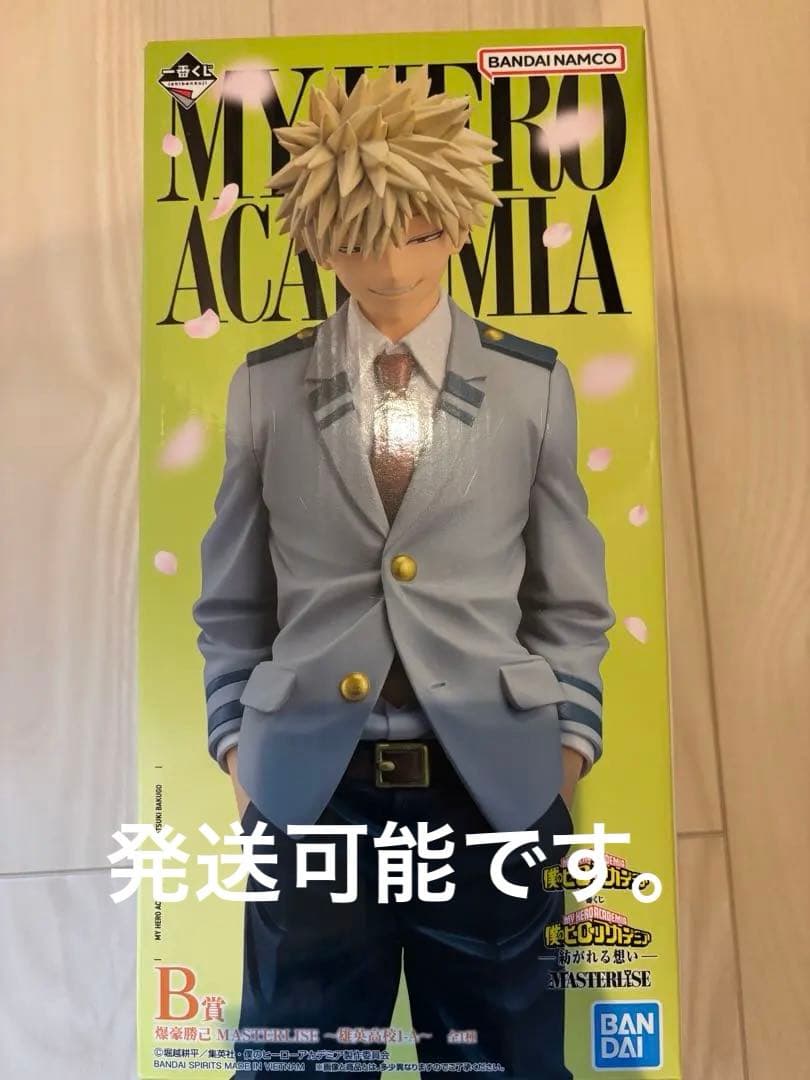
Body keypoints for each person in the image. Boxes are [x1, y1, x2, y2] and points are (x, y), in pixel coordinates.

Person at [192, 64, 614, 1079]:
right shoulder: (265, 388)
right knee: (296, 1060)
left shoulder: (531, 385)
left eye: (418, 232)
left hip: (493, 790)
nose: (388, 265)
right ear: (316, 239)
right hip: (310, 794)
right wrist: (240, 753)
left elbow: (568, 597)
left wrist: (564, 753)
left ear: (459, 226)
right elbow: (234, 599)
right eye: (358, 238)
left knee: (509, 1058)